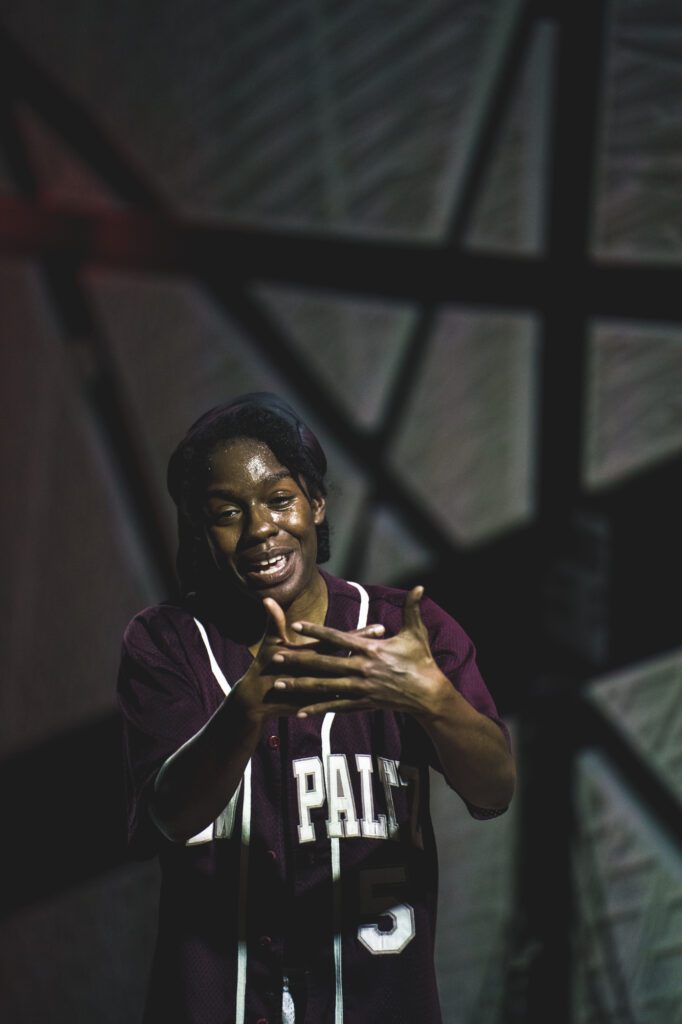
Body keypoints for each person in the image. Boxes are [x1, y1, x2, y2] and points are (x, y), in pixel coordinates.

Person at [117, 392, 515, 1024]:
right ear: (202, 531)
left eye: (280, 499)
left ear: (316, 503)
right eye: (228, 513)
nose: (260, 529)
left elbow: (495, 789)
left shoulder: (400, 630)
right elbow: (171, 815)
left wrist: (433, 700)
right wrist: (247, 706)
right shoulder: (168, 642)